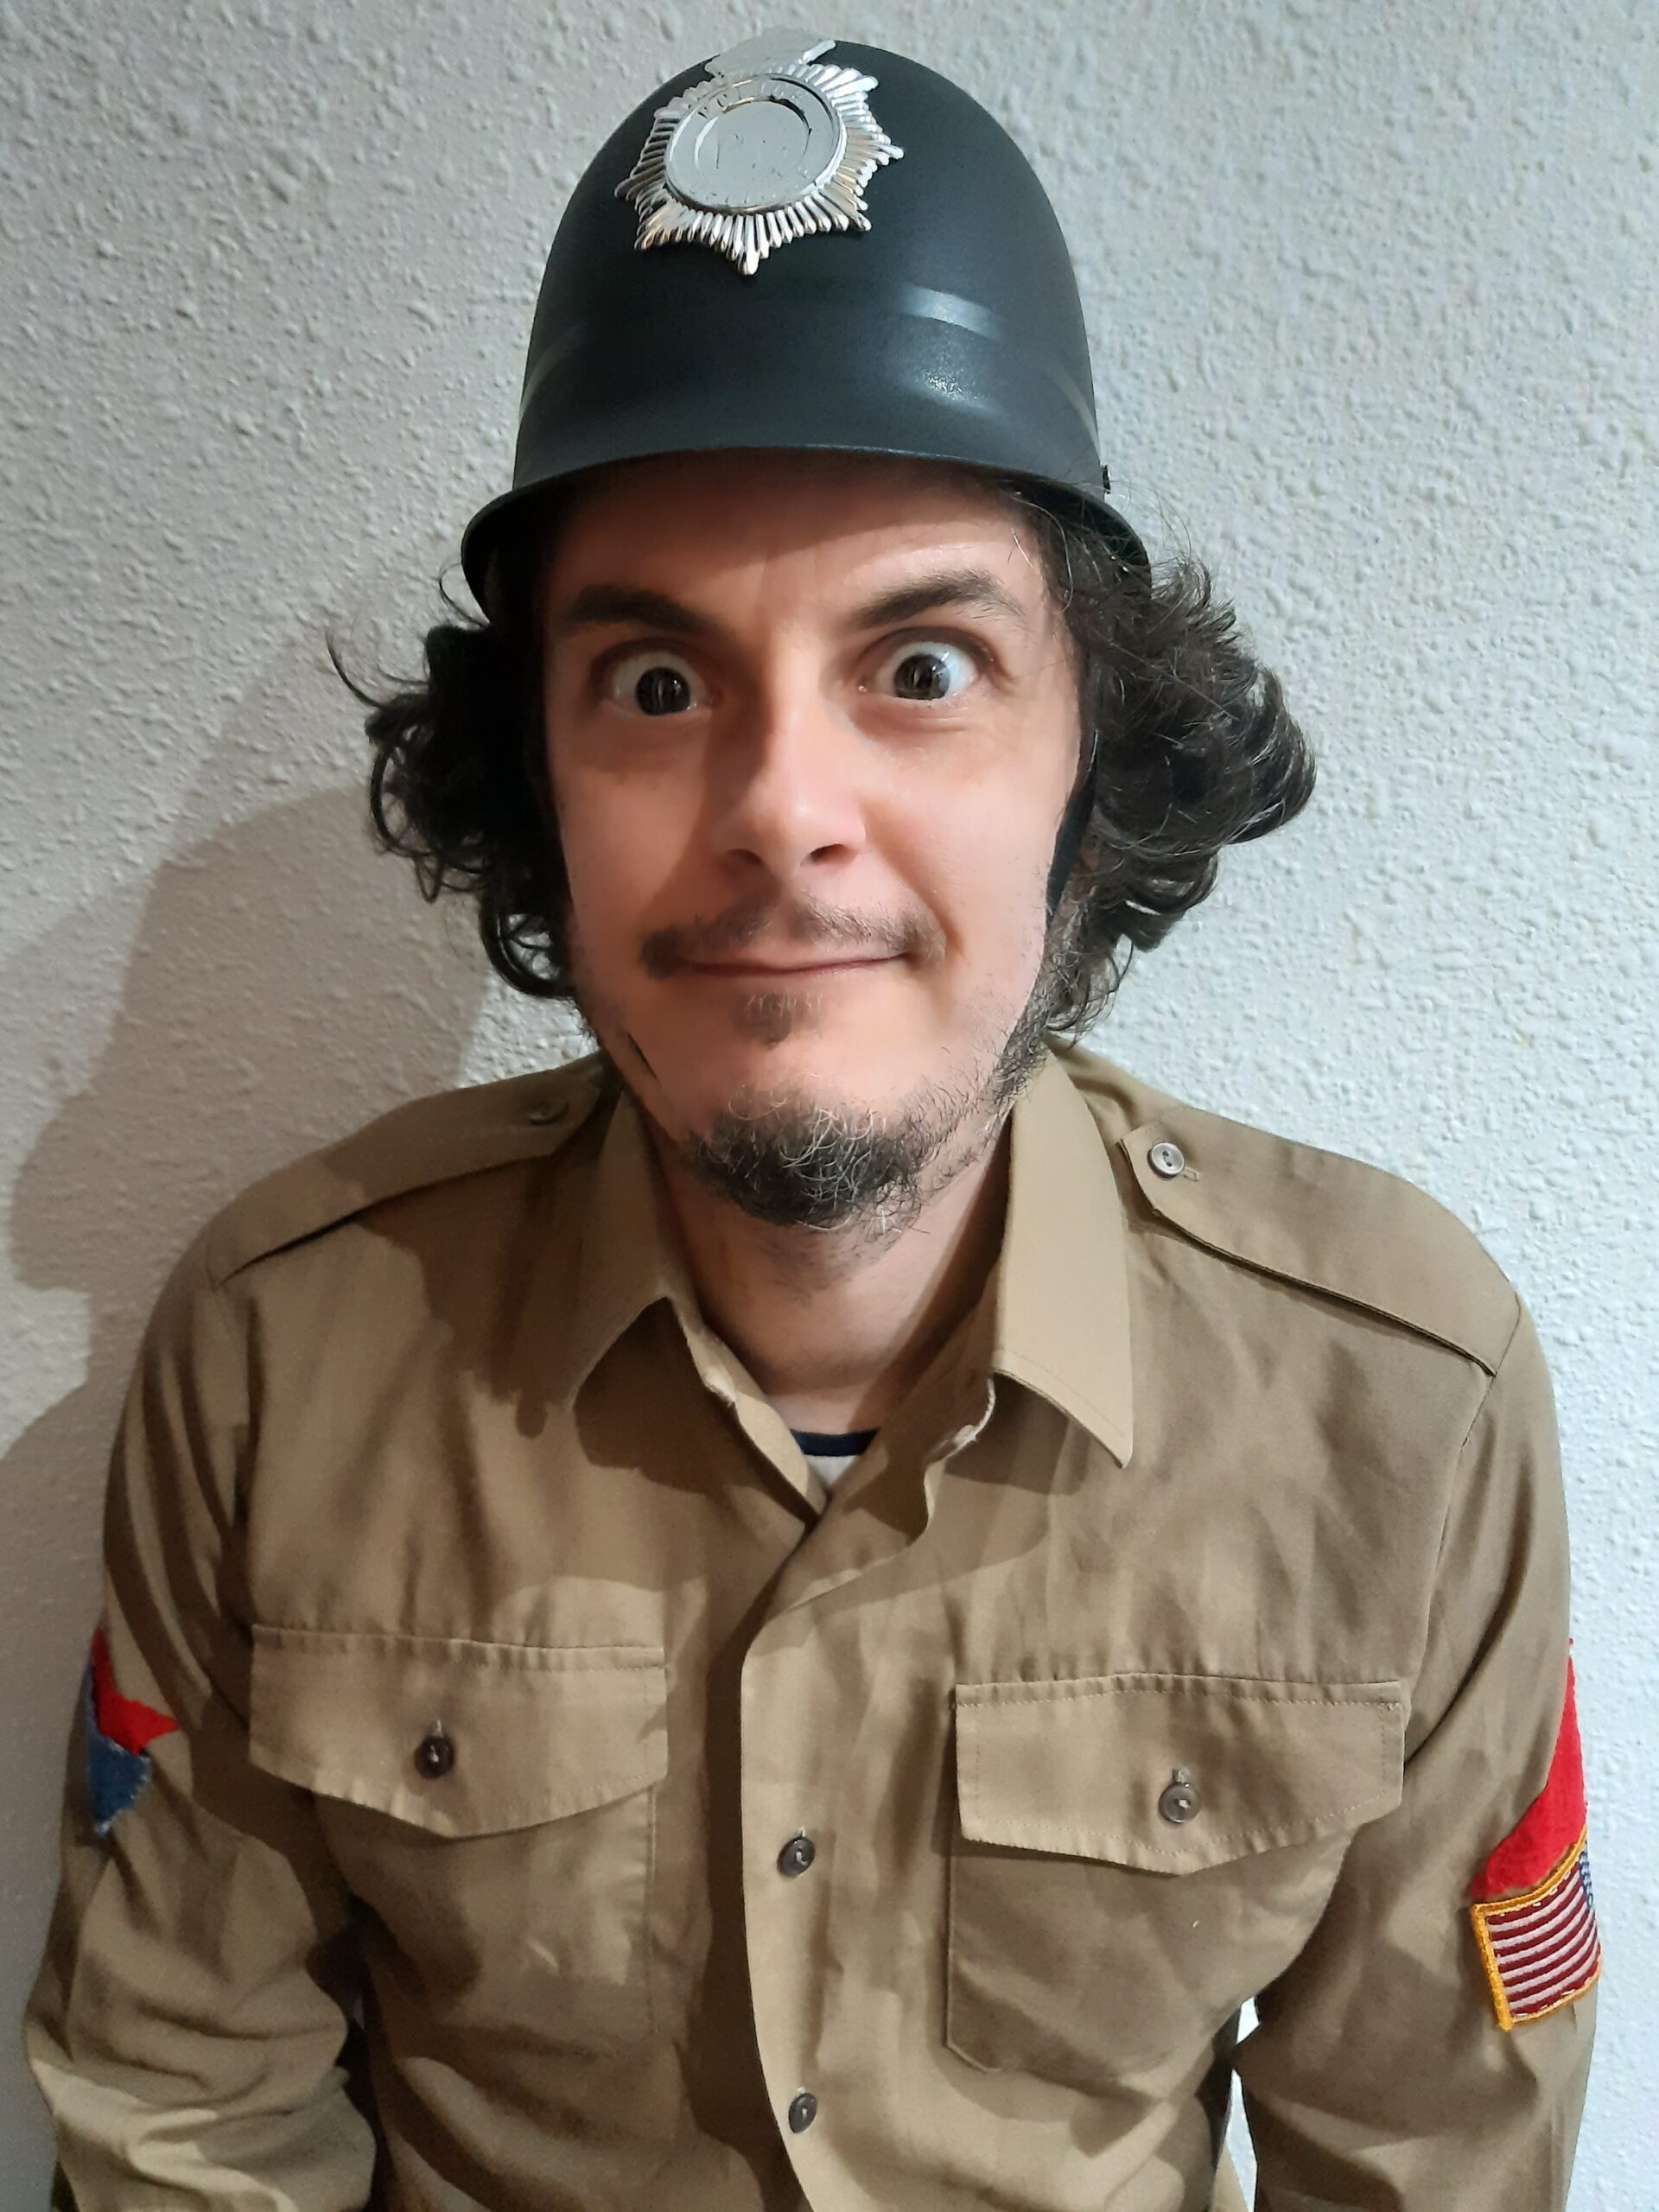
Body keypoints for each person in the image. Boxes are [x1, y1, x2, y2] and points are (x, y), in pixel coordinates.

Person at [25, 30, 1595, 2212]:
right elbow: (186, 2117)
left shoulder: (1404, 1399)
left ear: (1092, 764)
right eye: (658, 685)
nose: (782, 811)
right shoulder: (281, 1357)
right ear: (538, 786)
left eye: (922, 667)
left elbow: (1427, 2160)